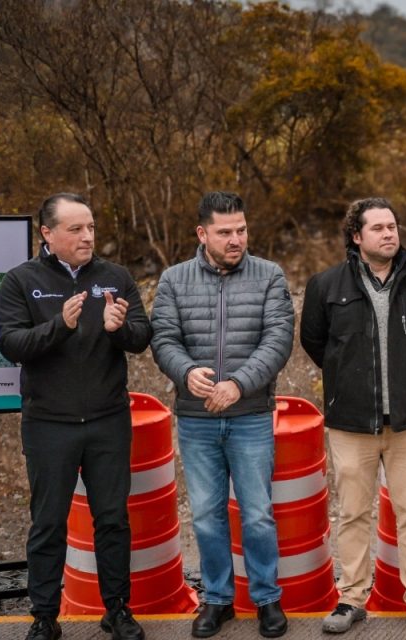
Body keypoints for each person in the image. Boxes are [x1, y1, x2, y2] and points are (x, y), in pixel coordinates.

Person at [0, 193, 152, 640]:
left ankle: (117, 609)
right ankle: (45, 615)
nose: (88, 237)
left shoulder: (115, 277)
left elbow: (142, 337)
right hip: (48, 424)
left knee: (112, 519)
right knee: (48, 522)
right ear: (47, 233)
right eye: (76, 229)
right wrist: (59, 326)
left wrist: (119, 328)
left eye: (91, 228)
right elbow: (11, 345)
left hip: (107, 420)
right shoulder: (21, 281)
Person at [300, 197, 406, 636]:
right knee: (352, 513)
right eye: (379, 228)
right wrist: (348, 382)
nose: (389, 234)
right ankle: (350, 599)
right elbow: (316, 343)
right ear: (356, 236)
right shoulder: (326, 285)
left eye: (393, 226)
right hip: (350, 423)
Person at [150, 191, 294, 639]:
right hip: (196, 419)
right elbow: (164, 339)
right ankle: (216, 600)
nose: (236, 239)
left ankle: (267, 599)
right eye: (225, 232)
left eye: (241, 230)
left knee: (257, 514)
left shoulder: (269, 275)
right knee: (207, 515)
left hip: (250, 415)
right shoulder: (174, 280)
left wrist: (238, 384)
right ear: (202, 233)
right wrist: (187, 371)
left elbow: (278, 339)